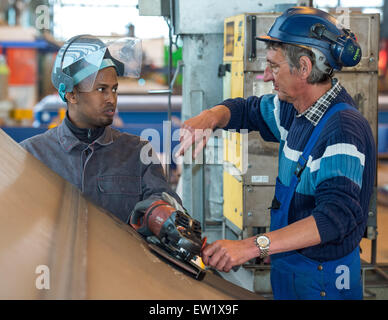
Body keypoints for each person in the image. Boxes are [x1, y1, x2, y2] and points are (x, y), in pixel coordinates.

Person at [177, 7, 376, 300]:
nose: (266, 74)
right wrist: (211, 117)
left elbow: (334, 219)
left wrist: (249, 246)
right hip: (292, 270)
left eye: (274, 66)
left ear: (305, 68)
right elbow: (248, 110)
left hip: (325, 282)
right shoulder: (291, 110)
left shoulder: (342, 130)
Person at [20, 34, 182, 231]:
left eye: (114, 89)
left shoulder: (137, 152)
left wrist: (162, 215)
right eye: (101, 89)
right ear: (71, 94)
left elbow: (164, 201)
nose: (111, 99)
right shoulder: (33, 155)